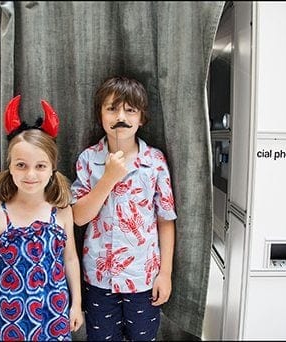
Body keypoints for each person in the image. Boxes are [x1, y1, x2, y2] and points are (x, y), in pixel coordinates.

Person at [71, 76, 177, 341]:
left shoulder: (154, 161)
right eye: (112, 108)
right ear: (100, 114)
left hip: (143, 278)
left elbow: (166, 220)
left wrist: (165, 274)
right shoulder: (88, 159)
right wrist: (108, 178)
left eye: (130, 110)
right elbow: (79, 217)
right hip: (98, 279)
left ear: (142, 118)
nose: (121, 116)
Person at [0, 95, 83, 341]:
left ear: (52, 168)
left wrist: (76, 303)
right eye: (21, 165)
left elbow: (70, 260)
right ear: (10, 167)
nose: (31, 174)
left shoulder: (62, 211)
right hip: (10, 319)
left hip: (54, 316)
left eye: (40, 166)